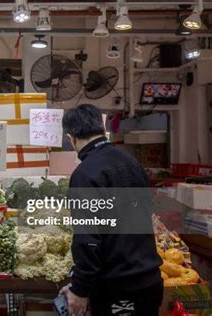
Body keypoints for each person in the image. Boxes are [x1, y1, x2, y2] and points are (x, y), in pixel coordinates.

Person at [59, 104, 163, 316]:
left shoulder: (85, 174)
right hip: (150, 281)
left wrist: (79, 289)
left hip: (119, 288)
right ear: (102, 127)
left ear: (71, 138)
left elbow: (88, 238)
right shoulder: (132, 163)